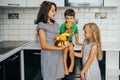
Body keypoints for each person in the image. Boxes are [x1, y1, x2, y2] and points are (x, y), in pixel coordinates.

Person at [35, 1, 70, 80]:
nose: (55, 12)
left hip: (58, 55)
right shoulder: (41, 26)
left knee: (58, 77)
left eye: (55, 10)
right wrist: (60, 48)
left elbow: (57, 40)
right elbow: (43, 46)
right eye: (53, 10)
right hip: (48, 57)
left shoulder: (56, 24)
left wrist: (64, 42)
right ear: (46, 11)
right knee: (50, 77)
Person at [60, 9, 81, 75]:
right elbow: (62, 36)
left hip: (70, 42)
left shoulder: (74, 26)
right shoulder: (63, 26)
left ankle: (72, 64)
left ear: (74, 18)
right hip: (63, 41)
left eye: (71, 18)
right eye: (67, 18)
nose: (69, 20)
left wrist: (77, 42)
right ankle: (65, 67)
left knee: (71, 49)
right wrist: (67, 29)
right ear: (65, 18)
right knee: (65, 50)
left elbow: (76, 34)